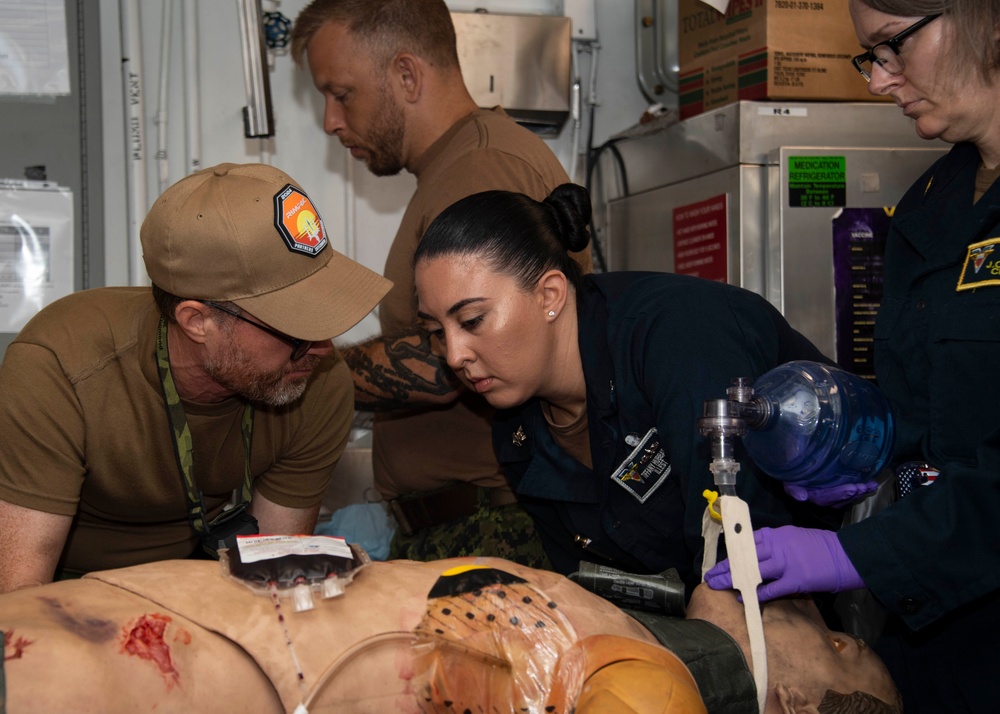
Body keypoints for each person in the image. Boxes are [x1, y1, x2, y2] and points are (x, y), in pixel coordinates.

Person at [706, 2, 1000, 711]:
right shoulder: (932, 202)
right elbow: (941, 413)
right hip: (934, 631)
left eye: (892, 47)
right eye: (870, 56)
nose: (879, 79)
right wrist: (868, 455)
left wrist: (853, 556)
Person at [411, 183, 834, 592]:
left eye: (471, 321)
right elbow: (591, 591)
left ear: (549, 295)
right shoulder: (518, 432)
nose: (453, 355)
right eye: (435, 330)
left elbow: (741, 555)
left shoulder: (676, 335)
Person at [289, 0, 592, 566]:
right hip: (466, 525)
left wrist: (294, 371)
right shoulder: (457, 168)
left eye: (342, 93)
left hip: (496, 530)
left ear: (406, 75)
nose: (331, 120)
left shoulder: (481, 169)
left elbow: (447, 363)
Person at [0, 162, 392, 592]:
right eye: (297, 329)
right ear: (197, 321)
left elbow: (277, 582)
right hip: (65, 586)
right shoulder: (60, 368)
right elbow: (22, 601)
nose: (322, 349)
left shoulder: (313, 379)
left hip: (202, 587)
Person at [0, 555, 901, 713]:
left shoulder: (639, 680)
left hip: (106, 669)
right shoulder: (619, 630)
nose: (826, 619)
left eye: (839, 646)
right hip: (112, 625)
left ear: (792, 700)